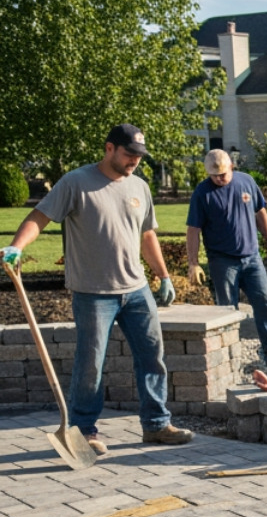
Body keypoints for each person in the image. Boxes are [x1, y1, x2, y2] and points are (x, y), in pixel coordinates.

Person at [2, 124, 193, 453]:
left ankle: (157, 424)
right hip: (93, 293)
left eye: (138, 156)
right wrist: (16, 245)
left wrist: (163, 276)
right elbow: (40, 216)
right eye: (128, 153)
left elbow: (147, 235)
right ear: (109, 148)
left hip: (136, 290)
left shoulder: (140, 187)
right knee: (90, 365)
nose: (134, 160)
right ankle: (84, 431)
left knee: (152, 358)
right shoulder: (76, 182)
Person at [185, 149, 267, 376]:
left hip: (252, 257)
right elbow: (193, 229)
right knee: (227, 312)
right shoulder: (202, 193)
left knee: (265, 306)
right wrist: (193, 263)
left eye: (223, 174)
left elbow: (260, 212)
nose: (219, 179)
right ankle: (230, 363)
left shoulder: (246, 182)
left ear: (231, 167)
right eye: (214, 176)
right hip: (222, 261)